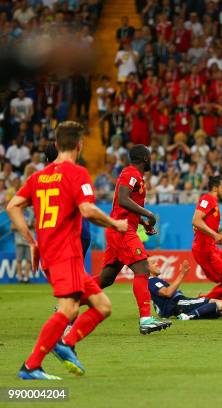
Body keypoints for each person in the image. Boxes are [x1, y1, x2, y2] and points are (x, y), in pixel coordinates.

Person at [6, 121, 127, 380]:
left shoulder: (38, 177)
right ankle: (30, 366)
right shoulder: (77, 173)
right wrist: (116, 223)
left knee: (103, 306)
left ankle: (66, 344)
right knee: (69, 310)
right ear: (79, 145)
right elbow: (87, 210)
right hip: (65, 253)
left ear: (58, 144)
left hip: (51, 254)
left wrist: (30, 239)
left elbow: (13, 206)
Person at [97, 145, 171, 335]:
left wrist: (144, 223)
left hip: (121, 228)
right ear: (145, 158)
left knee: (106, 279)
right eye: (150, 156)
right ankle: (146, 319)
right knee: (142, 269)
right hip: (122, 231)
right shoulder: (131, 173)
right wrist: (147, 213)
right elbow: (123, 199)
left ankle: (69, 303)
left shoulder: (135, 176)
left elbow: (128, 206)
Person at [192, 176, 222, 301]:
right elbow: (196, 220)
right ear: (214, 188)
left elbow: (208, 229)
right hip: (204, 250)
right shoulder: (207, 199)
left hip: (211, 247)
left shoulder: (214, 204)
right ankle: (200, 303)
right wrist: (215, 235)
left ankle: (218, 308)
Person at [11, 207, 34, 283]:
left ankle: (27, 278)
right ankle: (20, 278)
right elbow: (12, 227)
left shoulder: (31, 212)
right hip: (19, 240)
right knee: (19, 260)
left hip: (29, 240)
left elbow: (35, 224)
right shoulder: (17, 213)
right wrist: (21, 226)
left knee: (29, 260)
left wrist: (28, 225)